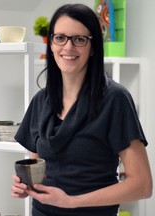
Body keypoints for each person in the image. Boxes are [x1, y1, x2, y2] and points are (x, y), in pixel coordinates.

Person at [11, 3, 152, 216]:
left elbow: (142, 185)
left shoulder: (115, 99)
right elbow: (36, 167)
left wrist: (70, 202)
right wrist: (25, 186)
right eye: (60, 38)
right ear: (51, 44)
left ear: (93, 46)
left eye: (79, 39)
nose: (68, 47)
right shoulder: (41, 100)